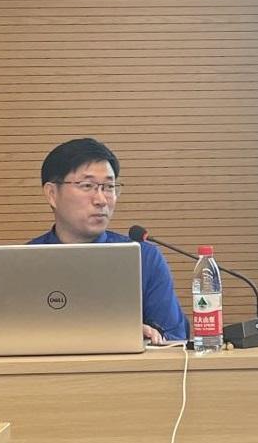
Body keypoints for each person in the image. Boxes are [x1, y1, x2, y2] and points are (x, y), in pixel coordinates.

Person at [30, 137, 187, 344]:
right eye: (87, 186)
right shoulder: (24, 262)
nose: (101, 200)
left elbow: (175, 339)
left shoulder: (143, 257)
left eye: (109, 187)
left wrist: (146, 337)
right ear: (52, 194)